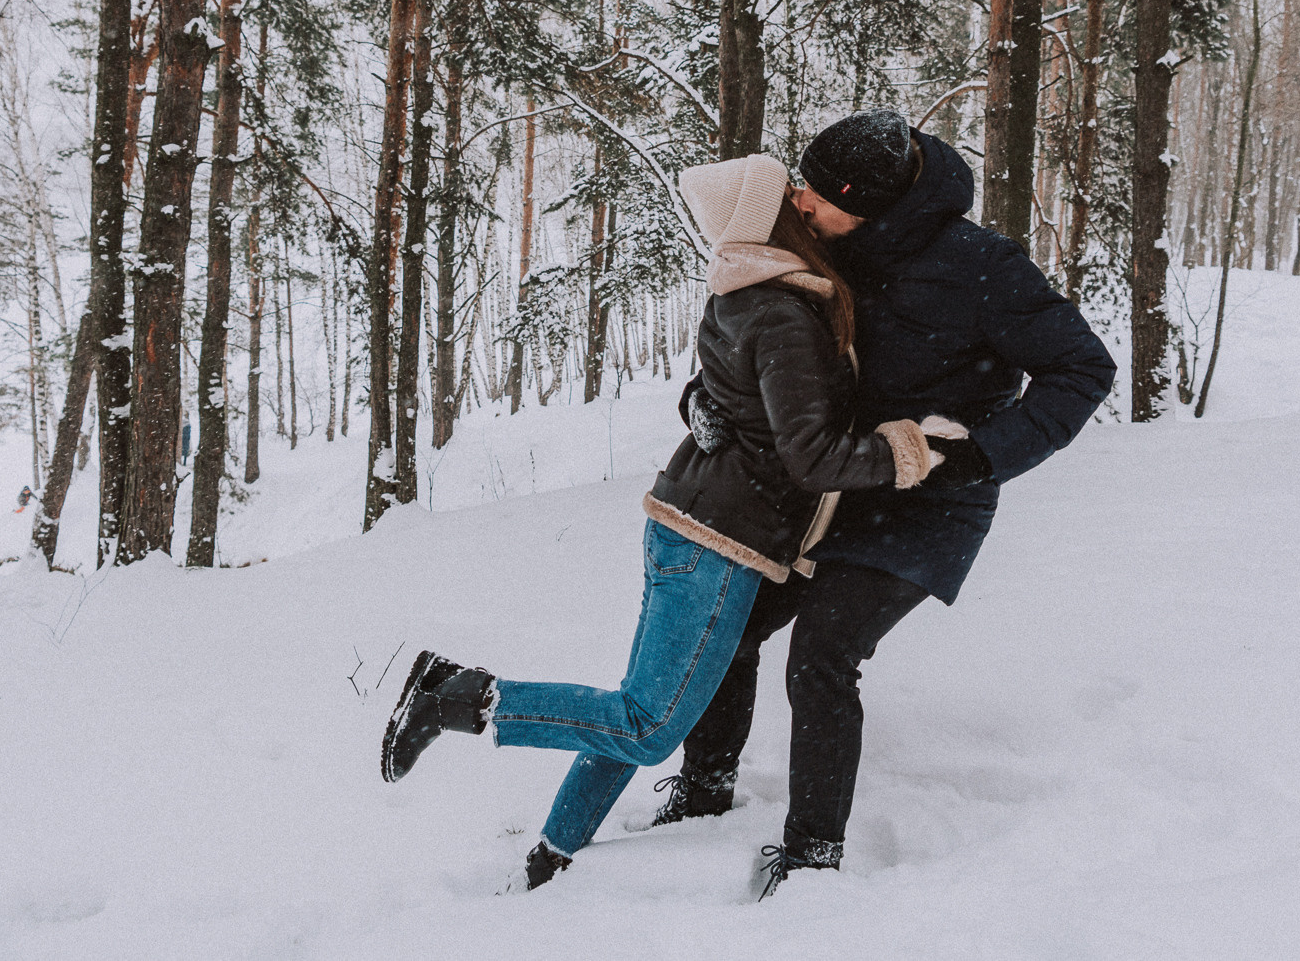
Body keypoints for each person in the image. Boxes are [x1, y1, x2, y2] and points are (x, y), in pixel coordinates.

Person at [378, 153, 972, 892]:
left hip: (691, 524)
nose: (804, 199)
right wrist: (908, 451)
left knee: (635, 703)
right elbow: (813, 456)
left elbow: (736, 401)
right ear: (775, 221)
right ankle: (461, 696)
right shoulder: (785, 312)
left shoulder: (745, 291)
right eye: (791, 195)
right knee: (649, 726)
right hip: (717, 542)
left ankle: (553, 851)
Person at [648, 110, 1117, 898]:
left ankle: (811, 857)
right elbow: (755, 335)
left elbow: (1082, 368)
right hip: (826, 485)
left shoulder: (982, 267)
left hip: (927, 501)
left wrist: (985, 455)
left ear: (867, 204)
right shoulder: (821, 241)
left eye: (815, 195)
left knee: (823, 656)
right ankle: (702, 797)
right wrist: (702, 397)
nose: (797, 202)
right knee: (727, 629)